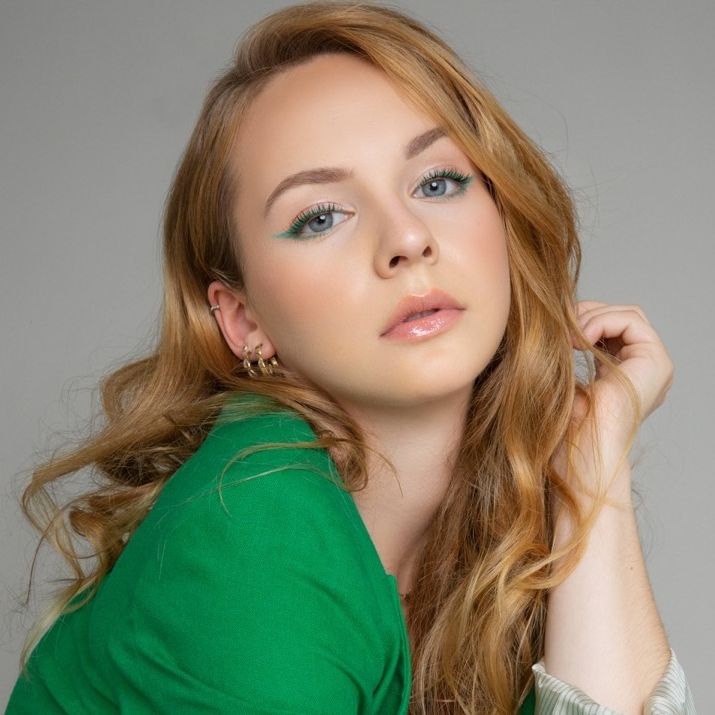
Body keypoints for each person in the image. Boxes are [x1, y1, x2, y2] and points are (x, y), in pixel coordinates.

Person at [5, 3, 696, 714]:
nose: (407, 238)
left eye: (436, 182)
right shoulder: (251, 528)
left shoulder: (496, 524)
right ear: (244, 320)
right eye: (320, 216)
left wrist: (591, 452)